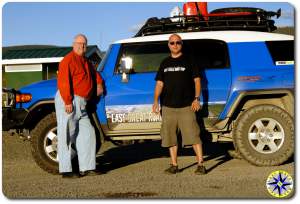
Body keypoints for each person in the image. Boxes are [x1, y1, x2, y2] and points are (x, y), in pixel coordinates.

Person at [152, 33, 206, 175]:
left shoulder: (189, 60)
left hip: (186, 106)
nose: (175, 45)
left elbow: (197, 81)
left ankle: (201, 164)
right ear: (168, 45)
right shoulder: (164, 63)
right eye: (172, 43)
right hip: (168, 107)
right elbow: (159, 83)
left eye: (178, 42)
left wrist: (197, 98)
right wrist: (155, 101)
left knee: (194, 136)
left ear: (181, 44)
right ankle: (174, 165)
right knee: (170, 137)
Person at [55, 34, 103, 178]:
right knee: (67, 135)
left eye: (84, 44)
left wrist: (99, 83)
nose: (82, 46)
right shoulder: (67, 60)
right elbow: (63, 82)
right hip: (70, 100)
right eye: (79, 43)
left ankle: (87, 167)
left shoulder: (85, 61)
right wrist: (68, 101)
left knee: (87, 134)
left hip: (82, 103)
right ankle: (66, 170)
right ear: (73, 44)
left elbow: (94, 75)